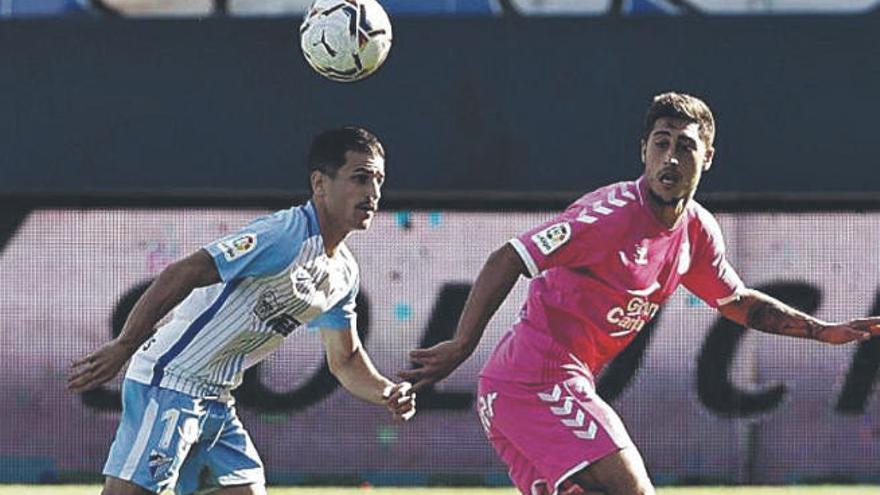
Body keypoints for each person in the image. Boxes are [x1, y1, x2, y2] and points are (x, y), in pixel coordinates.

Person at [398, 92, 880, 495]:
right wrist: (462, 345)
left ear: (707, 157)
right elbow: (509, 256)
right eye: (661, 143)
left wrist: (824, 332)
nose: (670, 158)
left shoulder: (695, 232)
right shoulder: (609, 216)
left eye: (686, 147)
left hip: (544, 389)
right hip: (534, 384)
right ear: (643, 150)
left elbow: (738, 302)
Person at [68, 126, 416, 495]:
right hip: (170, 382)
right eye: (360, 178)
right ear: (319, 183)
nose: (373, 193)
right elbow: (184, 271)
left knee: (245, 491)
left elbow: (345, 359)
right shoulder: (283, 235)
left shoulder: (343, 273)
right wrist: (125, 345)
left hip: (216, 399)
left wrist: (385, 391)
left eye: (379, 180)